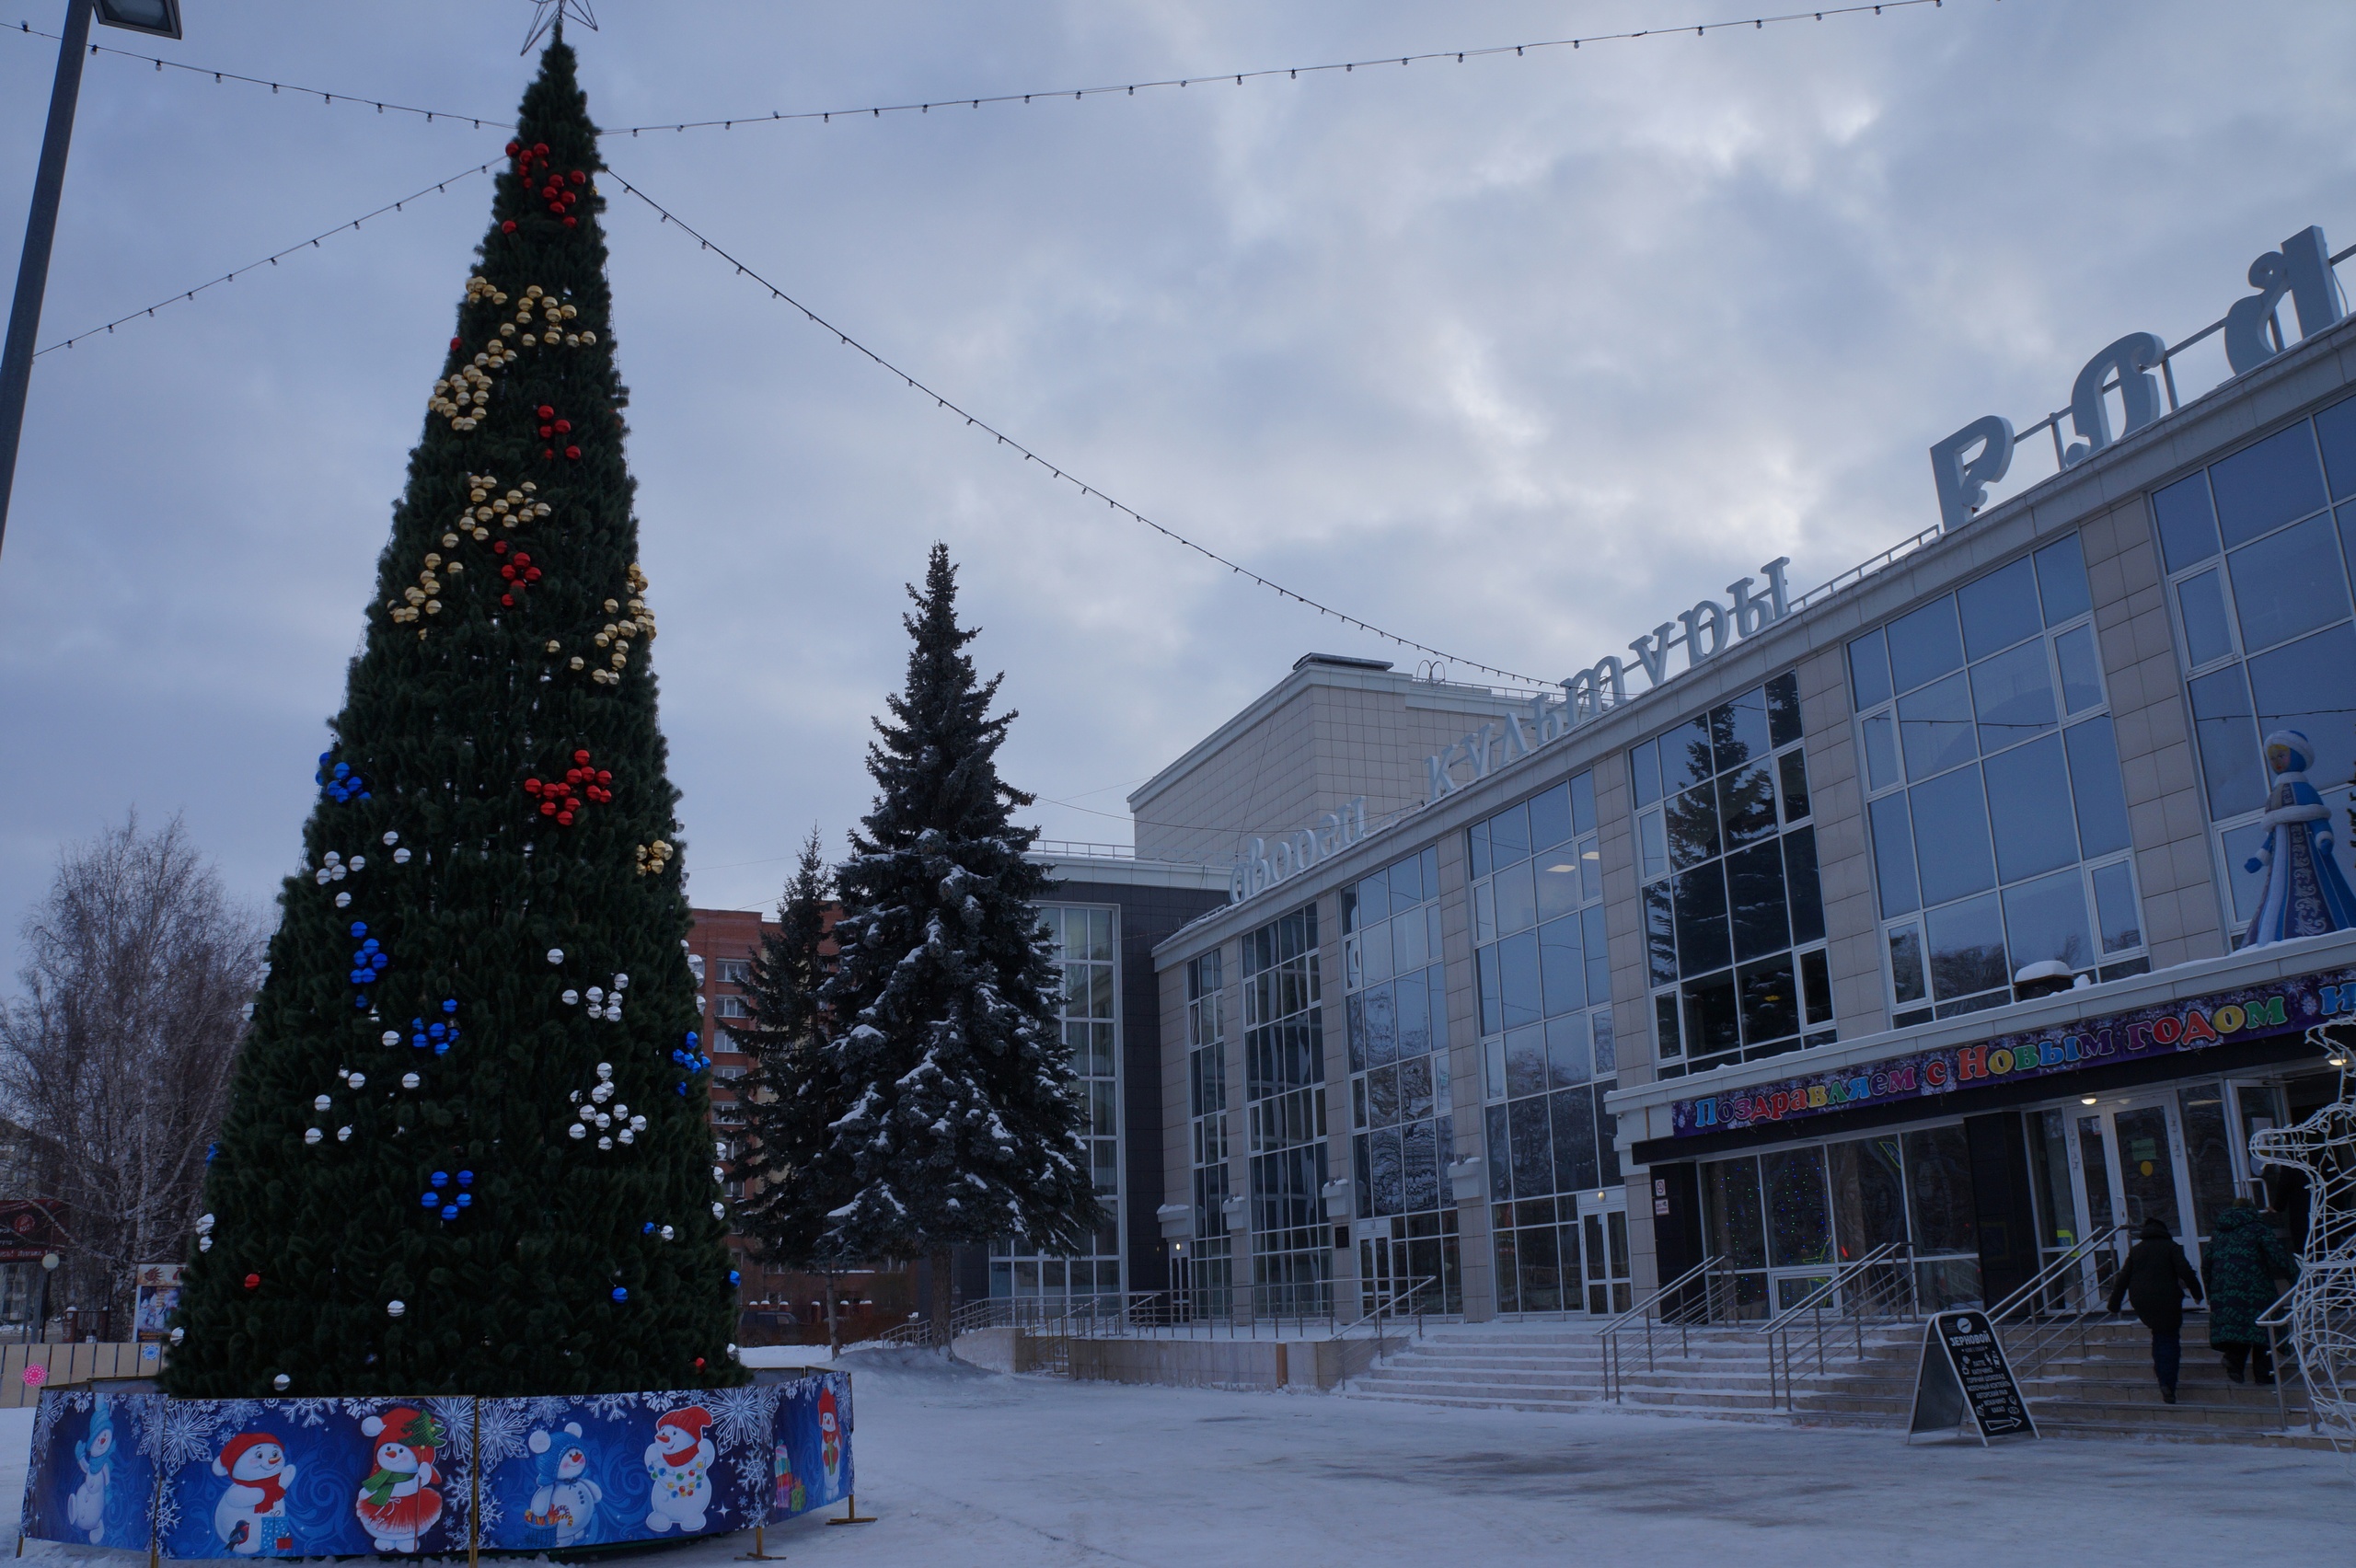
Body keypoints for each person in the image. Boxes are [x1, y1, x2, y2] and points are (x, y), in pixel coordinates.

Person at [2107, 1216, 2203, 1403]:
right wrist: (2198, 1293)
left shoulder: (2136, 1250)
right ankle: (2167, 1382)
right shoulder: (2170, 1247)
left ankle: (2162, 1376)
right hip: (2167, 1298)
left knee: (2159, 1334)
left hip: (2142, 1300)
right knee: (2168, 1337)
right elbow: (2185, 1270)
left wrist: (2114, 1304)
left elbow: (2123, 1278)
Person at [2204, 1198, 2298, 1385]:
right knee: (2263, 1327)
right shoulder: (2258, 1228)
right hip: (2256, 1288)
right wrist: (2296, 1279)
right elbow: (2278, 1255)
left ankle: (2235, 1362)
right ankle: (2263, 1374)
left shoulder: (2219, 1233)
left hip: (2224, 1291)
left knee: (2244, 1327)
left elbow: (2205, 1265)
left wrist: (2211, 1293)